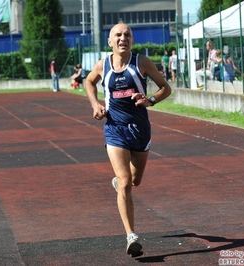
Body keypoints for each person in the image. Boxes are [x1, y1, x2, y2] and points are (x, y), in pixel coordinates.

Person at [85, 23, 171, 257]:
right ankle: (131, 235)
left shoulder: (142, 63)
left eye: (127, 35)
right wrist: (95, 104)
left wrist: (150, 100)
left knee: (135, 181)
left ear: (132, 41)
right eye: (118, 35)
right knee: (124, 182)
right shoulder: (103, 65)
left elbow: (165, 88)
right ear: (110, 41)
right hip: (114, 129)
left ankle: (121, 184)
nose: (123, 38)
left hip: (140, 130)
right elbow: (89, 81)